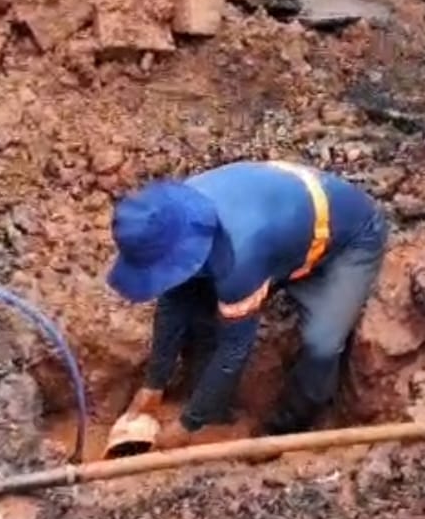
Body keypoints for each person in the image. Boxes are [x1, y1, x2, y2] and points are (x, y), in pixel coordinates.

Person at [107, 159, 388, 448]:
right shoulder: (177, 218)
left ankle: (286, 431)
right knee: (198, 304)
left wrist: (187, 425)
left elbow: (235, 348)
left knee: (322, 344)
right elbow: (173, 301)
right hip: (281, 225)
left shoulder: (240, 253)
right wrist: (153, 383)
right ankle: (213, 407)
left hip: (348, 238)